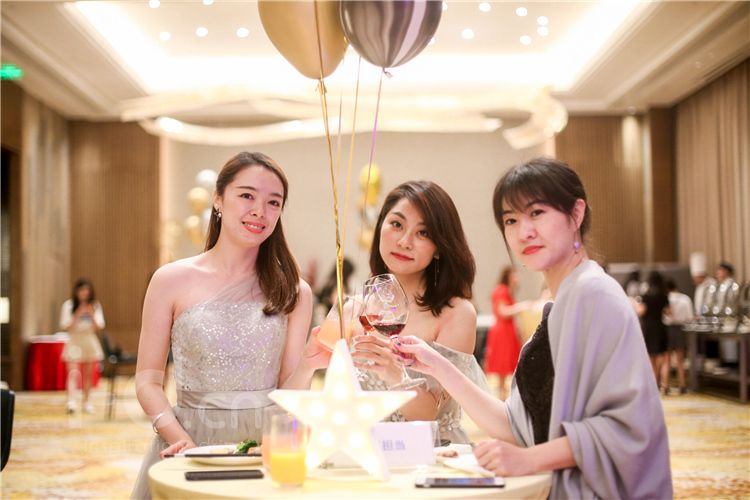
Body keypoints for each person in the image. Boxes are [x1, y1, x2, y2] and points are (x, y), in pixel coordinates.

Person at [394, 158, 672, 498]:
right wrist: (435, 363)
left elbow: (629, 427)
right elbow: (514, 425)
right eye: (511, 220)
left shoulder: (594, 294)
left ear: (576, 214)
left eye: (537, 213)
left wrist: (530, 459)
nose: (523, 231)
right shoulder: (563, 302)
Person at [130, 152, 329, 499]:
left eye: (273, 202)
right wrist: (179, 438)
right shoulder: (170, 280)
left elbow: (289, 393)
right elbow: (147, 380)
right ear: (218, 199)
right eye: (247, 195)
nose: (260, 211)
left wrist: (309, 365)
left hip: (263, 448)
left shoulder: (294, 292)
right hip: (188, 440)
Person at [351, 180, 487, 444]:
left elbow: (429, 413)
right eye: (396, 224)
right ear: (380, 227)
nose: (404, 241)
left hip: (433, 454)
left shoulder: (456, 314)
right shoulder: (354, 309)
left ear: (439, 248)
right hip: (364, 453)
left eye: (423, 233)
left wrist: (395, 375)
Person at [59, 278, 105, 414]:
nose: (84, 293)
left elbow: (99, 326)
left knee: (88, 374)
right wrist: (78, 313)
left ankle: (87, 402)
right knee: (73, 373)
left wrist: (91, 314)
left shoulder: (95, 305)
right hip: (74, 339)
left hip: (89, 339)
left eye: (87, 290)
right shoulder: (68, 305)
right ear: (76, 291)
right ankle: (71, 402)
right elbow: (65, 326)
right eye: (81, 290)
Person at [483, 266, 529, 400]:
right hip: (502, 331)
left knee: (506, 364)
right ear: (508, 275)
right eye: (515, 275)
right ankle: (501, 395)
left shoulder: (508, 291)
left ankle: (503, 394)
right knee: (502, 364)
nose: (518, 278)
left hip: (507, 330)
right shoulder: (501, 290)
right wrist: (521, 306)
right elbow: (503, 312)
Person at [637, 271, 671, 392]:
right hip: (660, 327)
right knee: (664, 357)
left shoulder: (646, 296)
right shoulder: (664, 295)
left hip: (649, 328)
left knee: (651, 358)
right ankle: (665, 384)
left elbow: (641, 312)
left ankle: (654, 384)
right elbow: (669, 312)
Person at [663, 278, 694, 394]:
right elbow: (689, 317)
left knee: (666, 360)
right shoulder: (685, 299)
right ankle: (682, 385)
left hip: (667, 329)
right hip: (680, 329)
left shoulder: (665, 299)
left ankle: (665, 385)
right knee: (680, 360)